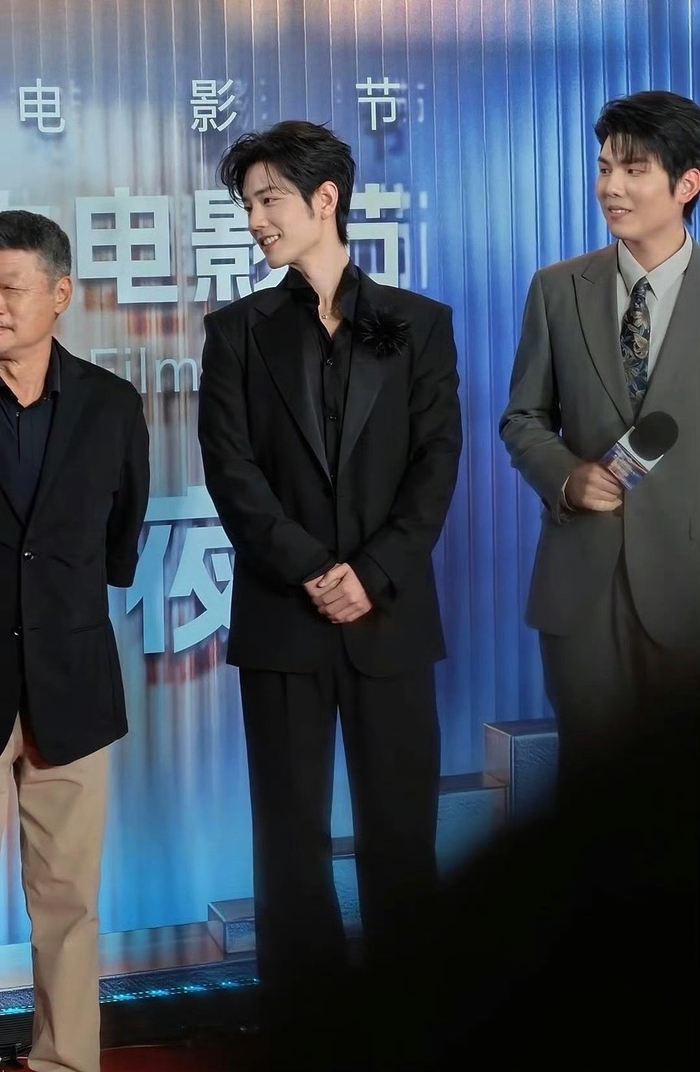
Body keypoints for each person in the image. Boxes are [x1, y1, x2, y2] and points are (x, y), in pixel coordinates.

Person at [197, 121, 462, 1032]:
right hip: (283, 619)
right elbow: (231, 472)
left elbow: (436, 464)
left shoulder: (420, 323)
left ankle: (411, 1025)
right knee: (289, 843)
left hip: (390, 618)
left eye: (269, 199)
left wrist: (372, 573)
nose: (255, 220)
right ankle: (304, 1032)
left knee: (401, 837)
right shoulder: (235, 332)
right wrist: (314, 570)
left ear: (325, 199)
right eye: (247, 204)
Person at [500, 91, 700, 769]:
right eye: (604, 167)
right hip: (582, 590)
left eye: (634, 169)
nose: (611, 187)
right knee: (592, 792)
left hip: (689, 585)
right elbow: (523, 417)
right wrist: (565, 477)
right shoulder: (557, 289)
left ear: (687, 184)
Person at [0, 210, 149, 1072]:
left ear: (60, 294)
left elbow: (122, 536)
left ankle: (64, 1062)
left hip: (73, 680)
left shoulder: (111, 404)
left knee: (68, 902)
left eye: (11, 288)